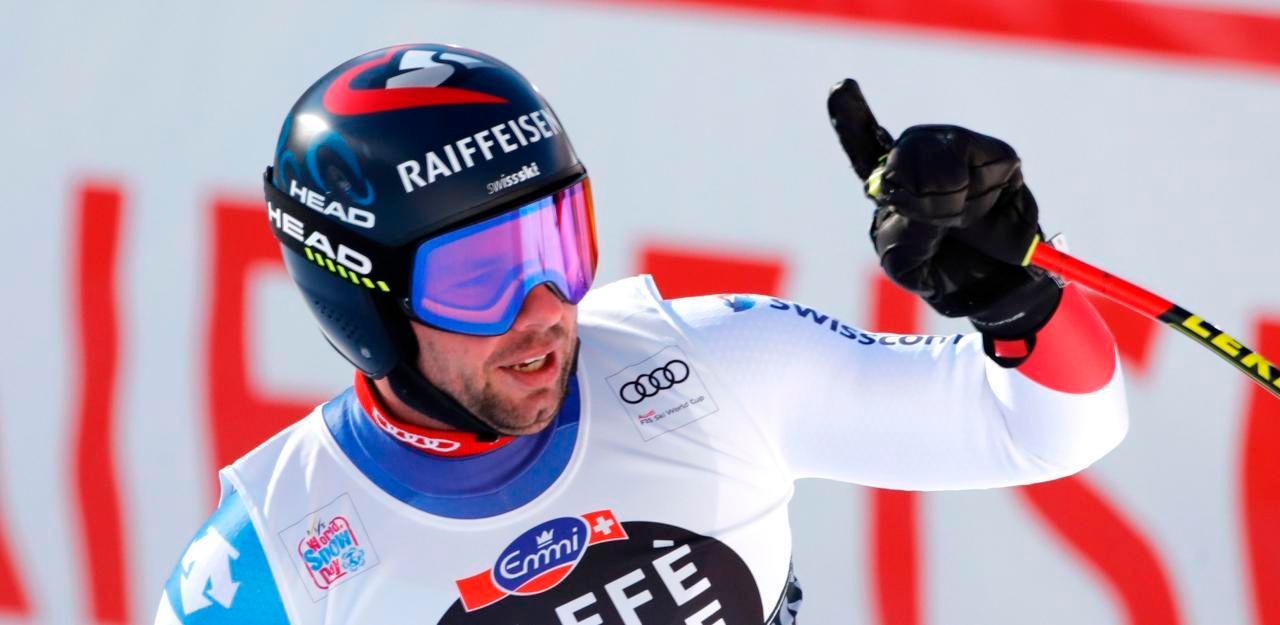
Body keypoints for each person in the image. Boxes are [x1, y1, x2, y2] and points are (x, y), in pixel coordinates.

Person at [154, 44, 1128, 625]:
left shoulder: (712, 368)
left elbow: (1052, 429)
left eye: (556, 243)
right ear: (359, 297)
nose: (542, 307)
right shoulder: (268, 562)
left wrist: (1016, 300)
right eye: (478, 276)